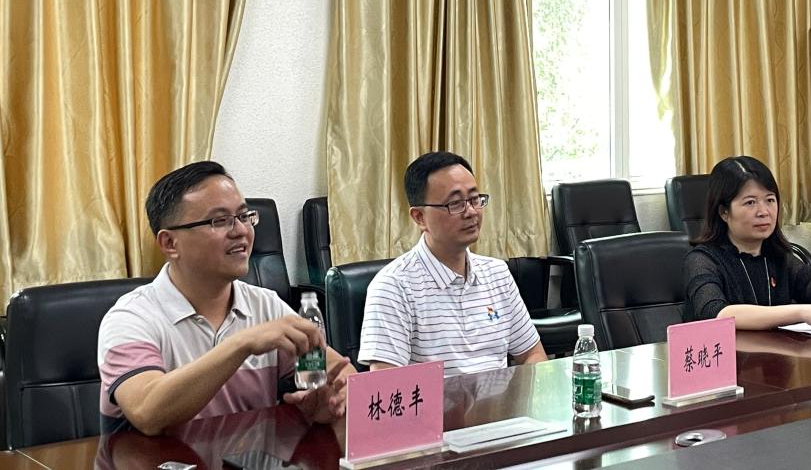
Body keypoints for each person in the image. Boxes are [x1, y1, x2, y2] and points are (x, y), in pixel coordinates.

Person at [98, 161, 355, 436]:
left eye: (244, 216)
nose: (241, 231)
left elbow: (342, 373)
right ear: (170, 243)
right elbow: (147, 412)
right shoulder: (130, 318)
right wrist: (242, 343)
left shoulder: (266, 305)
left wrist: (332, 399)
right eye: (219, 221)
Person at [359, 151, 547, 375]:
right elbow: (386, 382)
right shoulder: (393, 286)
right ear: (419, 217)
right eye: (455, 203)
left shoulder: (497, 273)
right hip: (437, 400)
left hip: (501, 398)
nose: (471, 212)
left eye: (475, 199)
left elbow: (532, 353)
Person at [682, 155, 811, 333]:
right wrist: (803, 312)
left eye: (770, 200)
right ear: (724, 212)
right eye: (750, 203)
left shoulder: (779, 258)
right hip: (726, 356)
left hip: (774, 355)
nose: (764, 211)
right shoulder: (702, 260)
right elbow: (717, 314)